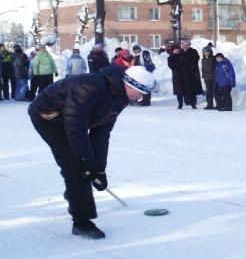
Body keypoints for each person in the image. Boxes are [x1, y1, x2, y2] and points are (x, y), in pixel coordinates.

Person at [29, 65, 155, 239]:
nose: (140, 98)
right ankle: (82, 222)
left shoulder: (120, 97)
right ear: (129, 85)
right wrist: (87, 163)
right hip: (48, 117)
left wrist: (99, 169)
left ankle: (75, 195)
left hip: (72, 121)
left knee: (83, 166)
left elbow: (101, 133)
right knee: (74, 165)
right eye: (140, 93)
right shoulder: (89, 87)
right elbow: (76, 129)